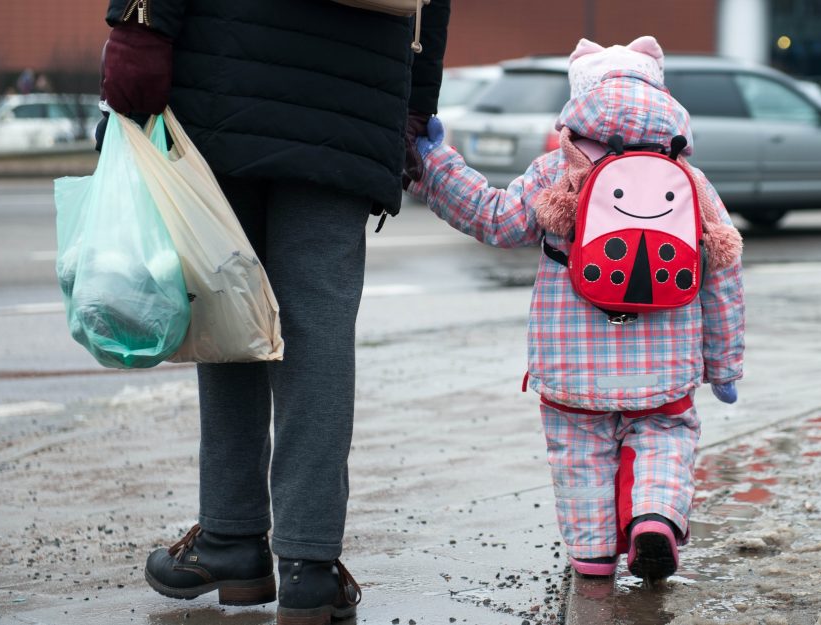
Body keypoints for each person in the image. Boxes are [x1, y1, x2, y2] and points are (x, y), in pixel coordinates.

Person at [95, 0, 449, 621]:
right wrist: (416, 98)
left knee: (227, 304)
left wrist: (141, 22)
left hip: (229, 66)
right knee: (319, 330)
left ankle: (232, 538)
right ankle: (309, 566)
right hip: (357, 81)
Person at [408, 36, 745, 583]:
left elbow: (495, 219)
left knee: (578, 454)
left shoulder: (554, 171)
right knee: (665, 436)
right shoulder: (692, 181)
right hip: (665, 365)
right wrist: (724, 367)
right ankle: (653, 518)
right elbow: (724, 274)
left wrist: (434, 162)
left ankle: (591, 557)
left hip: (571, 365)